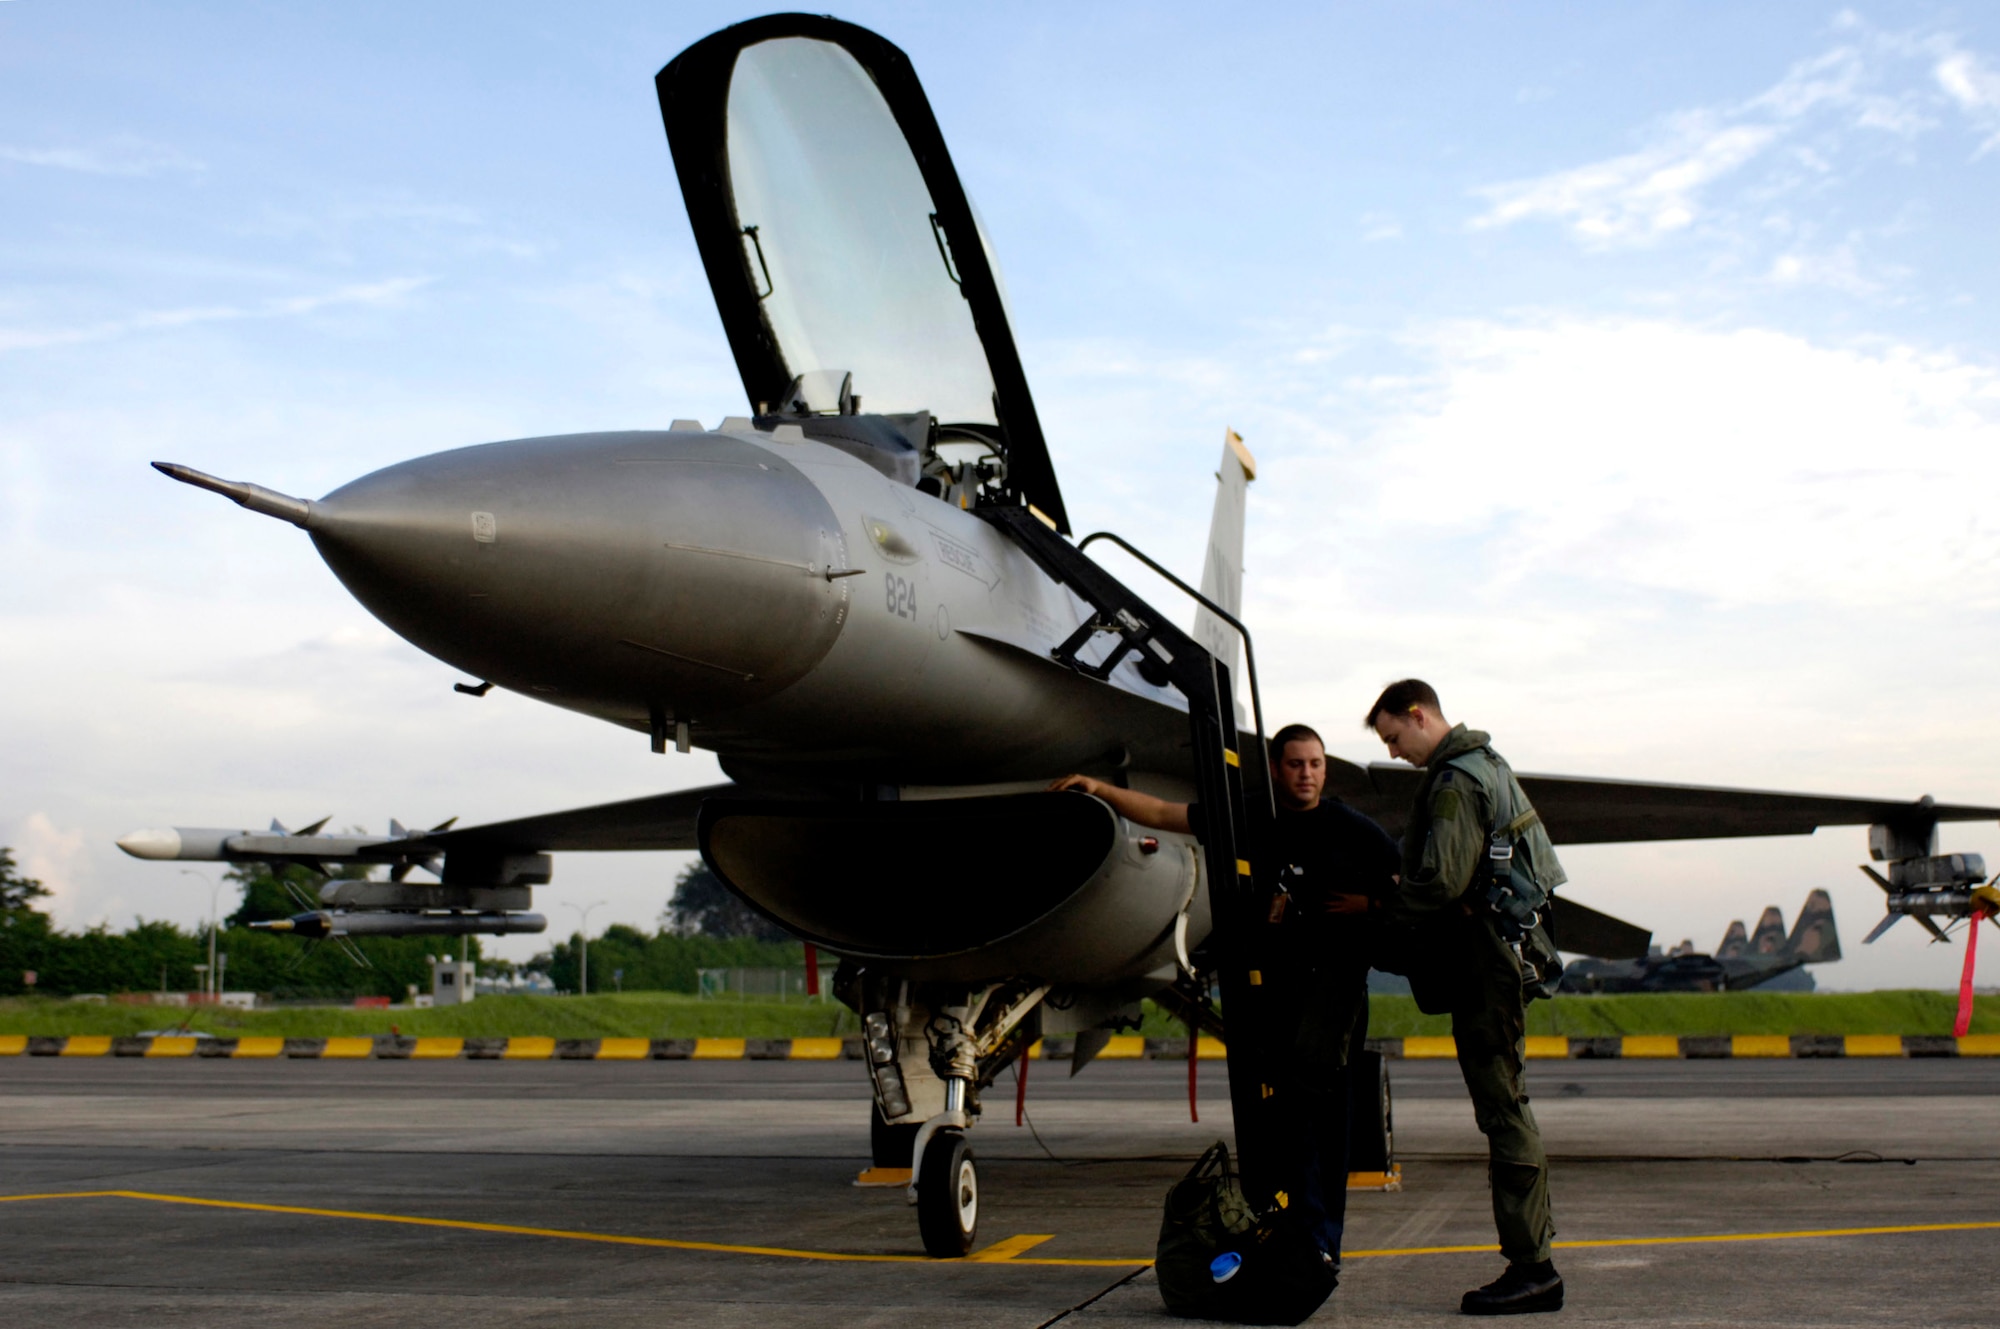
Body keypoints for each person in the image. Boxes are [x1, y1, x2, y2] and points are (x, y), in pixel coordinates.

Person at [1048, 724, 1399, 1271]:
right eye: (1295, 764)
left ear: (1325, 769)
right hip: (1272, 993)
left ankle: (1322, 1239)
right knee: (1281, 1122)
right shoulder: (1250, 815)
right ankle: (1294, 1230)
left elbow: (1416, 887)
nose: (1306, 774)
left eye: (1315, 764)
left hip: (1332, 999)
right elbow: (1166, 814)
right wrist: (1102, 790)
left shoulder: (1352, 828)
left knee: (1327, 1125)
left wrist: (1367, 906)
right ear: (1277, 768)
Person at [1364, 679, 1565, 1316]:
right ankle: (1533, 1260)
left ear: (1418, 715)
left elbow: (1442, 884)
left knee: (1503, 1112)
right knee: (1508, 1106)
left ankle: (1533, 1268)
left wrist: (1373, 907)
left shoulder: (1455, 782)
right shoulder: (1490, 766)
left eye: (1395, 737)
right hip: (1503, 960)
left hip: (1487, 967)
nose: (1395, 753)